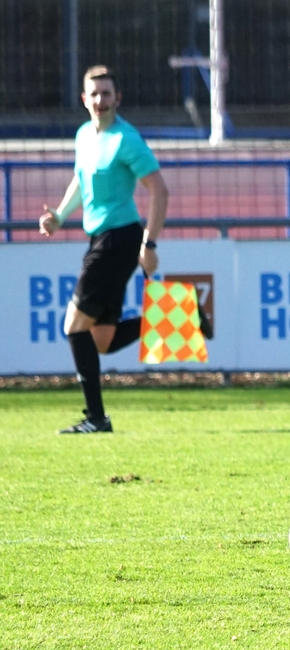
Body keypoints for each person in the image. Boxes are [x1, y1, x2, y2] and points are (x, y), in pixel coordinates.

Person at [39, 65, 169, 434]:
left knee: (73, 325)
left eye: (106, 93)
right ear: (84, 99)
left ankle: (96, 419)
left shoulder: (126, 139)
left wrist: (149, 243)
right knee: (102, 339)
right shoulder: (84, 135)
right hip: (101, 239)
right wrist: (60, 216)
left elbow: (160, 190)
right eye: (94, 94)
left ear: (118, 98)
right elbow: (81, 181)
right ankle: (180, 316)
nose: (100, 100)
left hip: (119, 239)